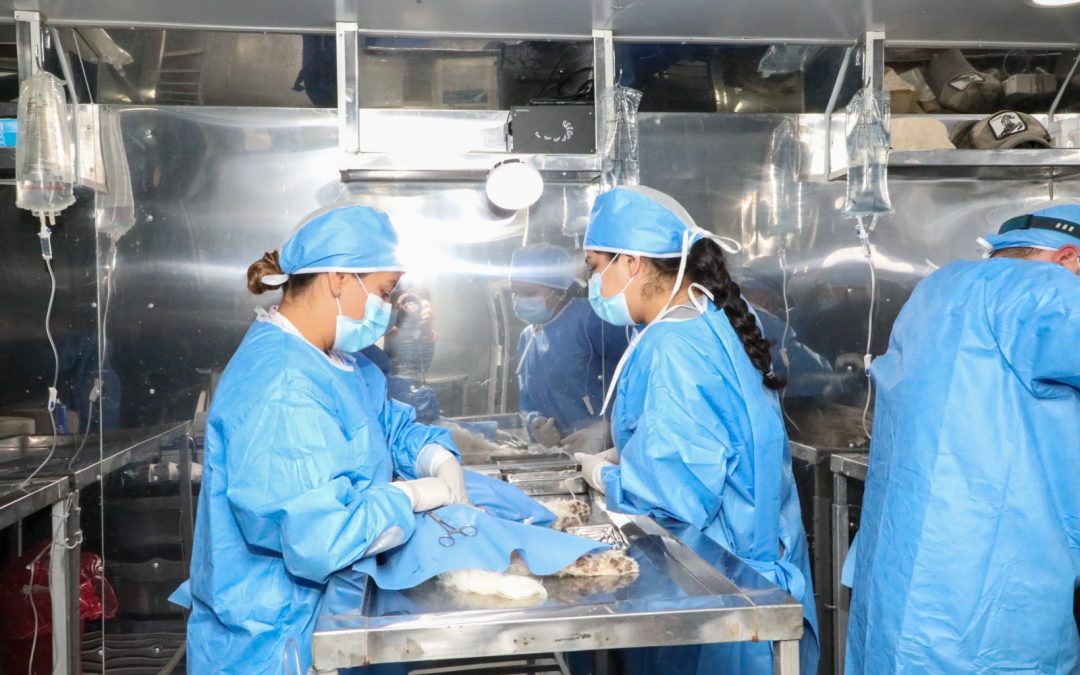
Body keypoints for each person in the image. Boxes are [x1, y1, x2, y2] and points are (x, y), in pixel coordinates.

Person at [169, 204, 469, 674]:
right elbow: (320, 539)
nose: (386, 309)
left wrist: (434, 458)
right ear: (339, 279)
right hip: (279, 644)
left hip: (330, 618)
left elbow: (383, 426)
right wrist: (408, 497)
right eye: (383, 292)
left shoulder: (341, 362)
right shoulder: (281, 384)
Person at [573, 186, 818, 674]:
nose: (593, 283)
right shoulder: (712, 320)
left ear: (632, 262)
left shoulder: (673, 345)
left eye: (596, 267)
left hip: (720, 591)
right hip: (751, 578)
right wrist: (629, 453)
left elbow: (675, 496)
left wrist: (604, 476)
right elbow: (712, 439)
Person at [845, 204, 1080, 674]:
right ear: (1067, 257)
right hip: (992, 590)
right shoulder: (1046, 290)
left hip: (905, 572)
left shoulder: (937, 289)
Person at [510, 243, 629, 450]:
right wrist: (535, 423)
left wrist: (609, 427)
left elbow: (634, 376)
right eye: (515, 292)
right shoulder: (527, 338)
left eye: (529, 292)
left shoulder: (592, 319)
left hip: (611, 449)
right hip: (565, 452)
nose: (520, 300)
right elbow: (527, 400)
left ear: (559, 291)